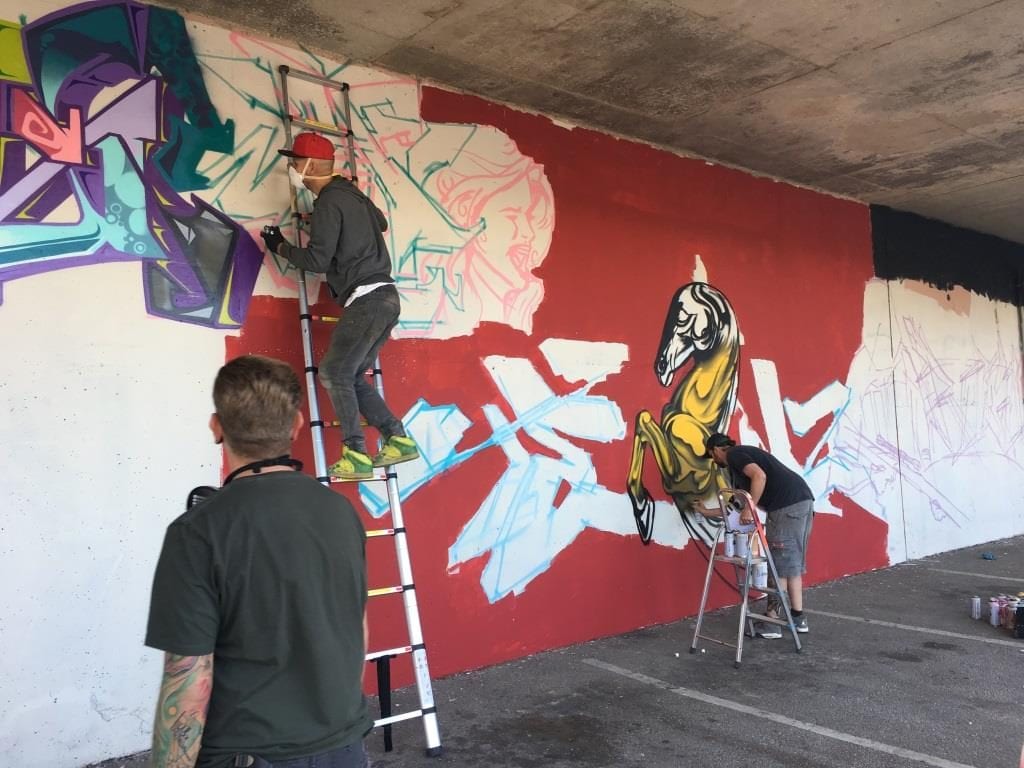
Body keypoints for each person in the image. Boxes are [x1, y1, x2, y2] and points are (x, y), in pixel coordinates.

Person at [145, 355, 372, 768]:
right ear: (297, 425)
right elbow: (356, 627)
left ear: (216, 427)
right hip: (344, 747)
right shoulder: (341, 512)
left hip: (248, 754)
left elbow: (188, 679)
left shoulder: (197, 532)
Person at [260, 131, 418, 480]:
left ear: (312, 165)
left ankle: (357, 455)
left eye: (295, 162)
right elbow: (381, 222)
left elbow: (317, 260)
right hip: (386, 299)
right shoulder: (350, 193)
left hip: (366, 299)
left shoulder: (329, 202)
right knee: (352, 376)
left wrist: (279, 246)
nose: (292, 168)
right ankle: (398, 440)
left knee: (333, 373)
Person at [702, 432, 814, 637]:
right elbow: (734, 507)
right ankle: (798, 619)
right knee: (792, 565)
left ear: (716, 450)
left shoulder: (735, 455)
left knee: (778, 566)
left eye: (711, 456)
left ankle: (771, 624)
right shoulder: (740, 467)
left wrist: (749, 508)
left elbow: (759, 476)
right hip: (801, 502)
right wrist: (705, 511)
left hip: (785, 507)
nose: (714, 461)